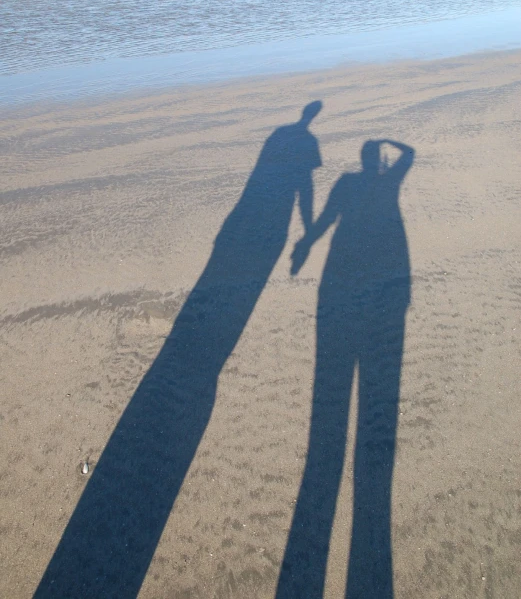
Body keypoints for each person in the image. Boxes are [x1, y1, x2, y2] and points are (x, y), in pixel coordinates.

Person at [34, 103, 324, 599]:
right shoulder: (298, 140)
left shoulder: (283, 136)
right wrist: (311, 228)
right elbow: (304, 190)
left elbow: (288, 183)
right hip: (261, 231)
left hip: (244, 228)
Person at [277, 138, 414, 599]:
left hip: (342, 276)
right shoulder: (387, 180)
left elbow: (327, 219)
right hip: (381, 276)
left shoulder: (351, 183)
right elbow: (411, 154)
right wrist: (394, 148)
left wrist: (305, 244)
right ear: (378, 162)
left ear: (364, 160)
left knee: (332, 399)